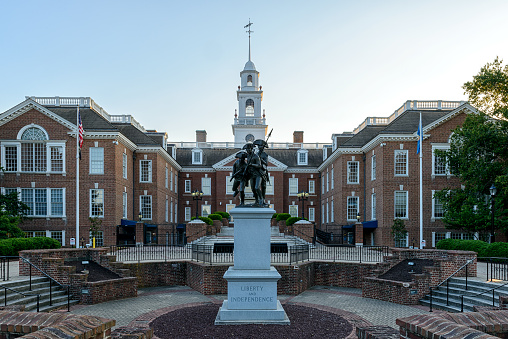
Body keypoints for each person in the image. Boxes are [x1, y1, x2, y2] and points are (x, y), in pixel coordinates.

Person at [253, 139, 269, 206]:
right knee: (256, 187)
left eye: (261, 146)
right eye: (259, 146)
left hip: (263, 171)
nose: (260, 147)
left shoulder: (265, 155)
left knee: (263, 186)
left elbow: (266, 163)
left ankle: (263, 200)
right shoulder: (256, 154)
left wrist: (261, 159)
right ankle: (258, 200)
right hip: (257, 172)